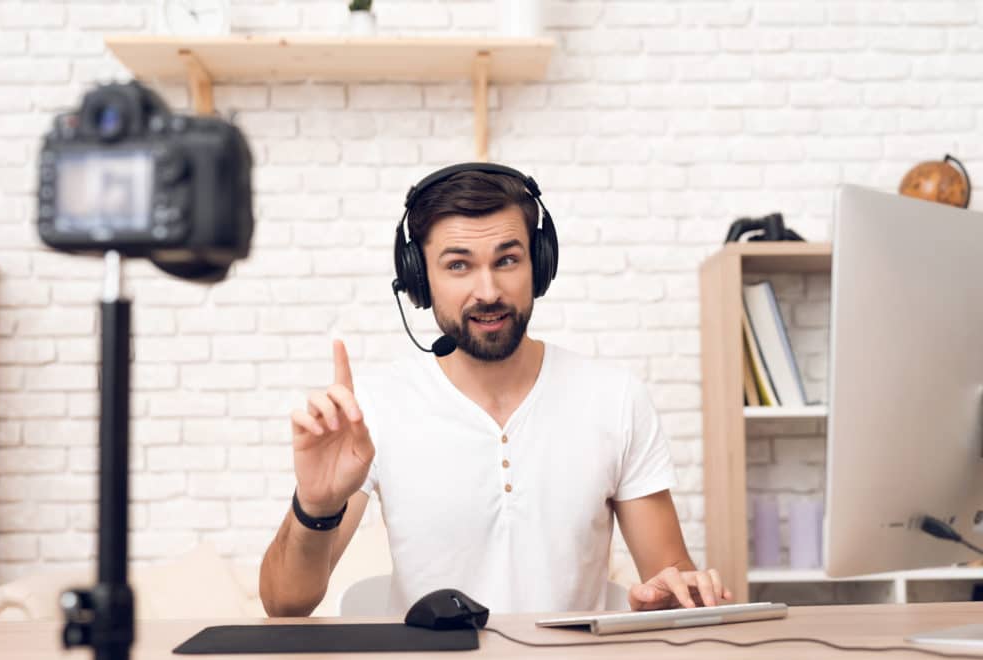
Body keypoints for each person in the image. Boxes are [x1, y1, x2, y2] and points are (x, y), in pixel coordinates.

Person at [259, 163, 732, 617]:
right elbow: (285, 604)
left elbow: (669, 574)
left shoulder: (615, 398)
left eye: (507, 260)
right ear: (420, 280)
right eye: (458, 266)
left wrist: (676, 593)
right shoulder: (374, 406)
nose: (487, 291)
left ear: (539, 265)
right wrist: (315, 506)